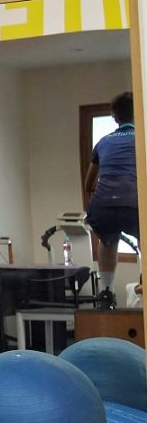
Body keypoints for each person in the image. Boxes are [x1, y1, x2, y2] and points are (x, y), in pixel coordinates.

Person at [84, 91, 138, 310]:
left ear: (115, 117)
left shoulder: (103, 142)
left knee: (107, 240)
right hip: (133, 201)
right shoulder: (141, 138)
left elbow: (88, 184)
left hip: (102, 204)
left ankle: (106, 291)